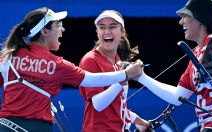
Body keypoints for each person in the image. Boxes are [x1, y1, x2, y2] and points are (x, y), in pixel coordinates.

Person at [0, 7, 143, 132]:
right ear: (44, 31)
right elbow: (91, 79)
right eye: (58, 24)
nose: (62, 29)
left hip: (5, 125)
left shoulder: (8, 58)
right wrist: (125, 75)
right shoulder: (57, 64)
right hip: (37, 128)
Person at [136, 0, 212, 131]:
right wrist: (140, 77)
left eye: (185, 16)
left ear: (200, 19)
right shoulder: (196, 54)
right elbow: (177, 97)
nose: (180, 22)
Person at [79, 10, 150, 132]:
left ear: (122, 32)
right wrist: (125, 76)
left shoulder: (117, 61)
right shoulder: (89, 60)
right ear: (97, 32)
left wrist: (139, 121)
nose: (107, 31)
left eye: (112, 27)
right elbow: (98, 104)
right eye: (102, 27)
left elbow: (116, 107)